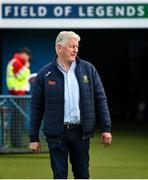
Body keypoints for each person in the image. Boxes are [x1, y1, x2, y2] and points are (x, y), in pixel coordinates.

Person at [29, 31, 112, 179]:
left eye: (77, 46)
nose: (75, 50)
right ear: (59, 48)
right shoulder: (44, 73)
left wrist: (106, 128)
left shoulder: (88, 69)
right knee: (59, 175)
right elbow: (36, 107)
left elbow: (101, 99)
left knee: (82, 175)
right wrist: (33, 138)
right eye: (71, 46)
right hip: (56, 134)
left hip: (81, 133)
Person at [6, 47, 32, 147]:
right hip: (17, 94)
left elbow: (22, 78)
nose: (28, 60)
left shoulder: (17, 62)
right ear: (24, 54)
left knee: (19, 119)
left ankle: (17, 142)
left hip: (20, 94)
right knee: (18, 120)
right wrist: (26, 67)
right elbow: (20, 76)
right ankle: (17, 144)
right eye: (28, 57)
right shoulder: (16, 62)